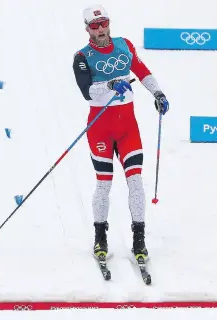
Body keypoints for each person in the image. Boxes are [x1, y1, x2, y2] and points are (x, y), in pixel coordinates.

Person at [72, 5, 169, 262]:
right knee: (104, 183)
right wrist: (112, 83)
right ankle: (100, 238)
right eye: (95, 26)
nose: (101, 29)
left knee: (135, 181)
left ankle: (139, 240)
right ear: (87, 29)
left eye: (103, 23)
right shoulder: (81, 57)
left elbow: (141, 70)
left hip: (127, 127)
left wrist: (157, 93)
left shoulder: (124, 44)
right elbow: (87, 91)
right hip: (100, 129)